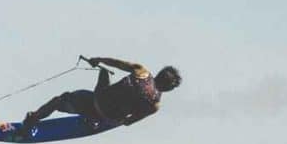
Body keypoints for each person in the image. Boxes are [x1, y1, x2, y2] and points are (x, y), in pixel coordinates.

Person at [20, 58, 181, 133]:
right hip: (109, 117)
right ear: (167, 90)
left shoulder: (142, 72)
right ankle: (93, 120)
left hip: (98, 99)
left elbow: (117, 63)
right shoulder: (154, 105)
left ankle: (32, 119)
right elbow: (128, 122)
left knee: (60, 100)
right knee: (109, 109)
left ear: (159, 73)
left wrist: (97, 60)